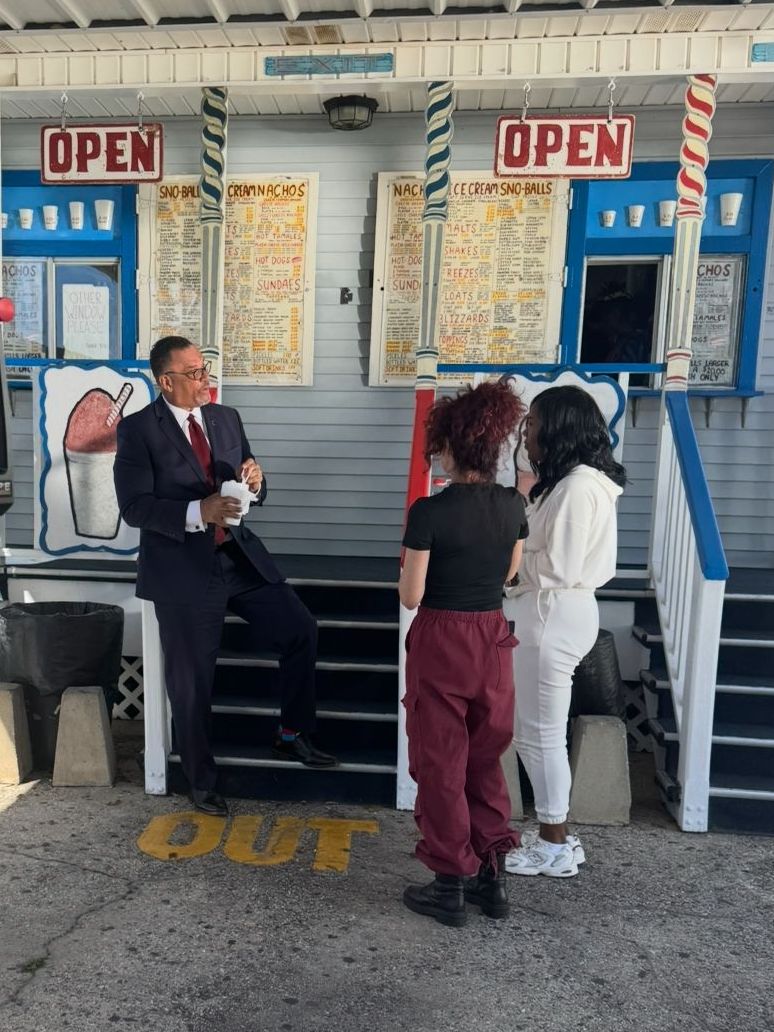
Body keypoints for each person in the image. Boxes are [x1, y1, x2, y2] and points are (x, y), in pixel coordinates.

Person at [114, 336, 336, 817]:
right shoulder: (137, 431)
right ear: (165, 380)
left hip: (237, 557)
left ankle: (292, 733)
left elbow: (248, 477)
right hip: (180, 568)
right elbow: (134, 508)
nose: (205, 380)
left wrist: (257, 480)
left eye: (206, 369)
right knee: (192, 681)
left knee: (300, 630)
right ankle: (201, 780)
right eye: (193, 373)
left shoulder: (225, 418)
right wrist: (199, 510)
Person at [399, 379, 528, 927]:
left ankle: (449, 881)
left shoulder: (430, 511)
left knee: (441, 760)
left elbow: (412, 594)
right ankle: (490, 878)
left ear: (450, 446)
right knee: (483, 757)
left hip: (442, 637)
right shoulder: (513, 506)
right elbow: (511, 573)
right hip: (493, 636)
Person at [503, 385, 626, 878]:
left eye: (531, 425)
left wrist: (507, 570)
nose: (525, 434)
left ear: (557, 429)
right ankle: (558, 834)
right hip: (552, 611)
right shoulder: (573, 482)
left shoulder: (577, 487)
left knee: (539, 736)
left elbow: (559, 565)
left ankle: (554, 841)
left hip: (551, 612)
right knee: (537, 732)